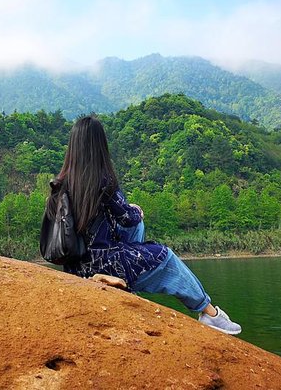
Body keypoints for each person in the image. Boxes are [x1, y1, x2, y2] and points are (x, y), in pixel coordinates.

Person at [48, 115, 241, 335]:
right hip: (105, 263)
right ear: (99, 145)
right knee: (165, 256)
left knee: (135, 228)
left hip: (75, 267)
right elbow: (128, 218)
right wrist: (136, 210)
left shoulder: (60, 184)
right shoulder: (101, 180)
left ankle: (124, 285)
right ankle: (210, 314)